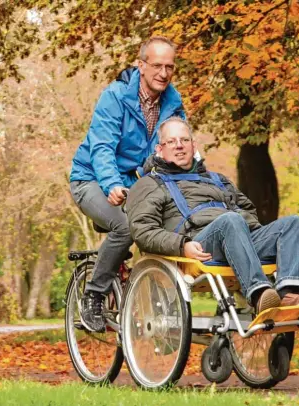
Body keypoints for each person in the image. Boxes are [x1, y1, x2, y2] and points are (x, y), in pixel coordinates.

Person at [126, 117, 299, 314]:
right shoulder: (149, 185)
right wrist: (181, 245)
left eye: (184, 140)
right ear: (160, 149)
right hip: (199, 243)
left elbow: (248, 210)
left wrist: (248, 234)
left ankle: (290, 294)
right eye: (172, 141)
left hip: (239, 237)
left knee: (294, 224)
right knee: (230, 220)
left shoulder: (218, 180)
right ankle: (259, 294)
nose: (179, 146)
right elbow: (143, 232)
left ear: (193, 146)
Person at [69, 37, 185, 332]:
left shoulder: (172, 103)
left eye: (169, 66)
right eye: (157, 65)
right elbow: (102, 147)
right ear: (141, 65)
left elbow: (177, 146)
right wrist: (111, 184)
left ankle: (163, 310)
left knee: (170, 227)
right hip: (92, 179)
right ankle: (94, 296)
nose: (163, 72)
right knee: (126, 226)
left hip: (138, 186)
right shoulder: (116, 96)